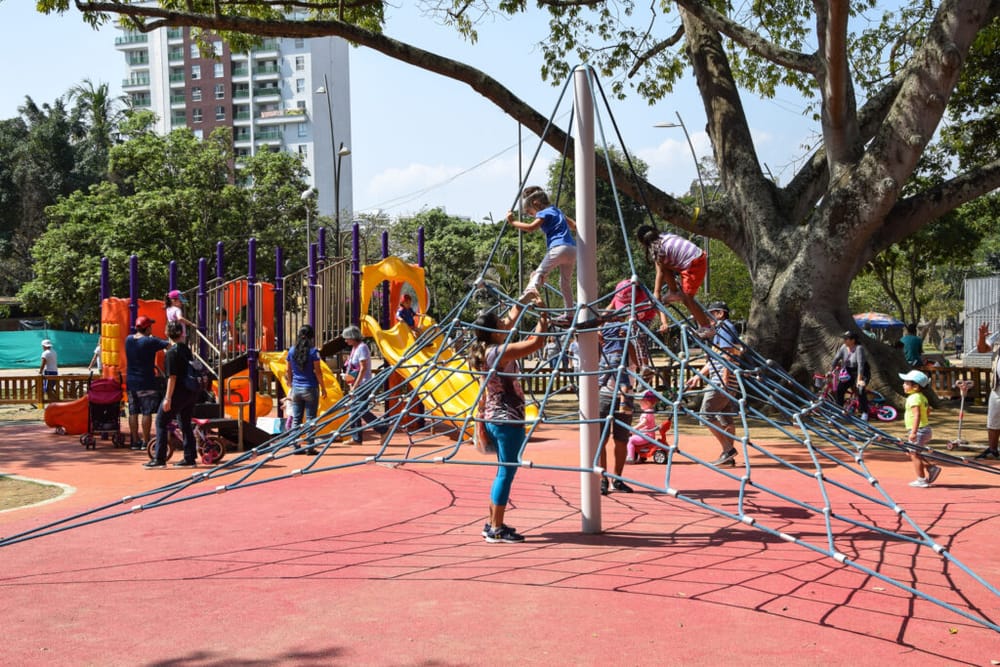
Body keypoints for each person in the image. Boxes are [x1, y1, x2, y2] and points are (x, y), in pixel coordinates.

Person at [469, 294, 548, 542]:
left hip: (495, 417)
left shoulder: (484, 350)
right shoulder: (499, 352)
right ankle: (496, 528)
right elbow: (537, 343)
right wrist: (543, 313)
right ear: (494, 332)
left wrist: (526, 297)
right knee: (506, 472)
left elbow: (511, 320)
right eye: (501, 324)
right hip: (507, 420)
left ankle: (493, 522)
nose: (506, 324)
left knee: (502, 470)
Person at [505, 185, 577, 316]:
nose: (530, 215)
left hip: (558, 248)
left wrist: (513, 222)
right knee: (565, 283)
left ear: (536, 203)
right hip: (572, 249)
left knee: (539, 272)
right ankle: (570, 314)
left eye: (529, 211)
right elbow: (574, 225)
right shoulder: (557, 211)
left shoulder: (544, 213)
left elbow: (531, 228)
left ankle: (530, 289)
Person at [684, 301, 741, 465]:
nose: (707, 319)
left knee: (706, 415)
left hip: (721, 381)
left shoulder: (725, 328)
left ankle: (728, 449)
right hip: (726, 381)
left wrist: (724, 379)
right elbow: (714, 361)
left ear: (720, 314)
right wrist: (698, 376)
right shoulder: (718, 332)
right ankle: (728, 455)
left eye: (710, 315)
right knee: (726, 419)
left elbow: (728, 355)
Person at [636, 224, 713, 337]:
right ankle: (674, 291)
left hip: (693, 264)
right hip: (696, 258)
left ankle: (707, 327)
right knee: (664, 266)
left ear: (643, 243)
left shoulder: (657, 248)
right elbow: (661, 267)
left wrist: (656, 293)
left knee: (687, 299)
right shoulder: (665, 236)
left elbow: (660, 272)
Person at [145, 321, 198, 469]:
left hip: (177, 392)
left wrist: (167, 398)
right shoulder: (186, 350)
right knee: (185, 423)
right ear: (182, 333)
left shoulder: (171, 353)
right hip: (190, 391)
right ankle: (189, 457)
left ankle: (159, 458)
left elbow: (172, 377)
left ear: (167, 333)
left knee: (161, 421)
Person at [125, 315, 170, 451]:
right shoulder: (150, 341)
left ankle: (134, 441)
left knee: (133, 411)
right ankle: (146, 441)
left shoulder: (128, 340)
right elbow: (169, 345)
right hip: (146, 381)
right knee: (146, 412)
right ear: (147, 328)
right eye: (150, 326)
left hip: (131, 381)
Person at [284, 324, 328, 455]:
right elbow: (318, 372)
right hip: (310, 387)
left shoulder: (292, 351)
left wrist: (290, 382)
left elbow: (288, 369)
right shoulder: (313, 352)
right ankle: (310, 446)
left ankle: (295, 445)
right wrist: (323, 387)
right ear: (311, 337)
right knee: (310, 419)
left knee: (296, 419)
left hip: (296, 388)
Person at [341, 325, 389, 444]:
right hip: (355, 382)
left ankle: (383, 429)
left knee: (360, 409)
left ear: (353, 337)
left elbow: (363, 368)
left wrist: (355, 385)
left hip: (363, 384)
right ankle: (356, 437)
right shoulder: (354, 348)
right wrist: (350, 382)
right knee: (354, 409)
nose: (345, 340)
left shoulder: (362, 348)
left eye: (347, 338)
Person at [899, 369, 940, 488]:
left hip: (919, 430)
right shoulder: (921, 397)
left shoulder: (913, 398)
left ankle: (921, 479)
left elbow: (917, 415)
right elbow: (927, 411)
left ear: (915, 386)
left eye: (906, 383)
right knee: (911, 452)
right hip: (924, 429)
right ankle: (930, 467)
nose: (903, 385)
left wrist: (914, 432)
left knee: (914, 454)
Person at [830, 330, 871, 419]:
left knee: (860, 389)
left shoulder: (859, 348)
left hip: (862, 372)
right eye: (844, 338)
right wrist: (831, 371)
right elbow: (836, 359)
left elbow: (861, 365)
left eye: (846, 339)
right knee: (840, 389)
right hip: (849, 371)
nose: (844, 340)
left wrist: (859, 380)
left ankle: (865, 412)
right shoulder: (843, 347)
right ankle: (839, 410)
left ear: (853, 340)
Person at [975, 322, 1000, 459]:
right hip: (998, 386)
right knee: (993, 419)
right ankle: (992, 449)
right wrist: (981, 336)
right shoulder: (997, 336)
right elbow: (982, 349)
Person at [627, 390, 659, 463]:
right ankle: (641, 456)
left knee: (630, 440)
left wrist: (634, 428)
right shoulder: (650, 411)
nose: (639, 403)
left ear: (647, 402)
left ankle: (630, 457)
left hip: (646, 436)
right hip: (648, 435)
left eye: (641, 401)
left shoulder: (647, 412)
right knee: (633, 436)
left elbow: (643, 423)